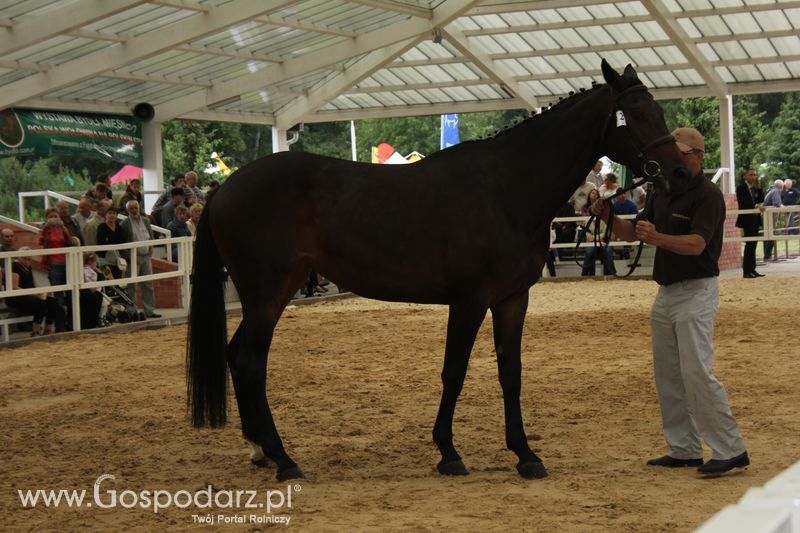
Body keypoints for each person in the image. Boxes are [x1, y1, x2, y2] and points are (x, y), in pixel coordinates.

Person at [592, 127, 749, 475]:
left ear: (698, 156)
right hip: (666, 293)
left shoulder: (707, 195)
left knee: (697, 372)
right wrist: (606, 215)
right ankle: (684, 448)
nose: (676, 158)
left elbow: (697, 245)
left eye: (683, 152)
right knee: (668, 375)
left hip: (696, 291)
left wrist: (659, 238)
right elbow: (633, 233)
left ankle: (730, 448)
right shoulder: (661, 190)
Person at [6, 247, 64, 335]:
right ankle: (35, 331)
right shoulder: (14, 267)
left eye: (29, 259)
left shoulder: (29, 268)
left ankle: (48, 329)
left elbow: (34, 283)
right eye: (24, 259)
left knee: (53, 302)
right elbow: (14, 287)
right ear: (18, 258)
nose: (27, 261)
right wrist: (33, 294)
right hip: (17, 296)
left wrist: (43, 292)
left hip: (30, 295)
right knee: (40, 303)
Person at [120, 200, 161, 318]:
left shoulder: (146, 220)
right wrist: (128, 257)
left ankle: (149, 310)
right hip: (133, 257)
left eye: (136, 208)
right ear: (127, 210)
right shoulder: (125, 223)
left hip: (146, 255)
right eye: (131, 209)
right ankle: (132, 311)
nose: (134, 210)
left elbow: (151, 236)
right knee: (131, 285)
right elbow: (123, 242)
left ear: (139, 208)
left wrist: (151, 248)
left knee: (148, 284)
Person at [39, 208, 73, 331]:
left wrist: (63, 227)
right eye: (51, 217)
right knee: (58, 296)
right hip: (53, 264)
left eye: (55, 216)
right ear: (47, 219)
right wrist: (47, 227)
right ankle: (60, 326)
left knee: (70, 294)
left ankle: (71, 324)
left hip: (66, 263)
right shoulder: (45, 230)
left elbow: (70, 241)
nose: (53, 219)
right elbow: (41, 241)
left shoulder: (63, 229)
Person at [735, 169, 766, 278]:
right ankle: (746, 271)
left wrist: (759, 188)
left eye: (755, 175)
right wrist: (756, 206)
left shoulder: (755, 188)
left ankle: (752, 269)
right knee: (749, 244)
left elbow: (761, 199)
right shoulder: (741, 188)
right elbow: (743, 203)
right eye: (751, 175)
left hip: (755, 219)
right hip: (747, 220)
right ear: (745, 176)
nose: (753, 177)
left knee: (753, 244)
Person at [580, 188, 616, 277]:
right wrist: (595, 238)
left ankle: (610, 274)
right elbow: (588, 236)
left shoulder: (605, 219)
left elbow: (605, 233)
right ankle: (585, 274)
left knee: (608, 251)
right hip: (593, 242)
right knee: (590, 252)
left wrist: (595, 237)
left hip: (604, 241)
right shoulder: (587, 220)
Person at [96, 206, 128, 279]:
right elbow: (101, 242)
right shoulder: (102, 227)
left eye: (114, 213)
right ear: (106, 215)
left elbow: (123, 241)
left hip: (117, 261)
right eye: (110, 213)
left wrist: (109, 240)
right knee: (108, 281)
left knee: (118, 281)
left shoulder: (119, 228)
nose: (112, 215)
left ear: (117, 215)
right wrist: (113, 242)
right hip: (104, 261)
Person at [81, 252, 109, 329]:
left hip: (93, 289)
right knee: (104, 304)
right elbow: (88, 281)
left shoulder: (86, 270)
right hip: (93, 290)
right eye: (95, 262)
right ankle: (100, 319)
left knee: (104, 303)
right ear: (90, 262)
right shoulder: (89, 271)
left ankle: (101, 318)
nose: (96, 264)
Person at [762, 179, 784, 262]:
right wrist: (782, 206)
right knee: (770, 235)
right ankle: (767, 256)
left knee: (767, 236)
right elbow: (776, 203)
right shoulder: (776, 191)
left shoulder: (772, 190)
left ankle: (767, 256)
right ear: (782, 186)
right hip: (769, 216)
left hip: (766, 216)